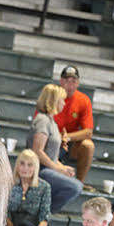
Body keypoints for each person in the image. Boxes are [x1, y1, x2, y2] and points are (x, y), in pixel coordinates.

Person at [27, 83, 82, 213]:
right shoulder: (43, 120)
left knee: (75, 182)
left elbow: (51, 155)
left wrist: (63, 168)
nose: (64, 103)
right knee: (75, 187)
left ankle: (42, 214)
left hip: (48, 167)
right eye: (61, 100)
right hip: (39, 169)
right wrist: (58, 168)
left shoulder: (52, 122)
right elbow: (38, 151)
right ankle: (42, 216)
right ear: (53, 101)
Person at [54, 65, 95, 184]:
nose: (70, 85)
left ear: (78, 83)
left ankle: (79, 183)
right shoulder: (52, 95)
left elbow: (88, 132)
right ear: (61, 81)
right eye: (67, 81)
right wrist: (57, 137)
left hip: (70, 142)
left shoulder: (83, 100)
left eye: (73, 81)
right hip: (52, 138)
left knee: (88, 146)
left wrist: (68, 137)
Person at [6, 149, 51, 226]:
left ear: (36, 168)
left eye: (30, 165)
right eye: (22, 163)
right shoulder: (8, 184)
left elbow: (45, 215)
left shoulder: (44, 187)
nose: (25, 168)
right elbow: (3, 211)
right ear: (17, 165)